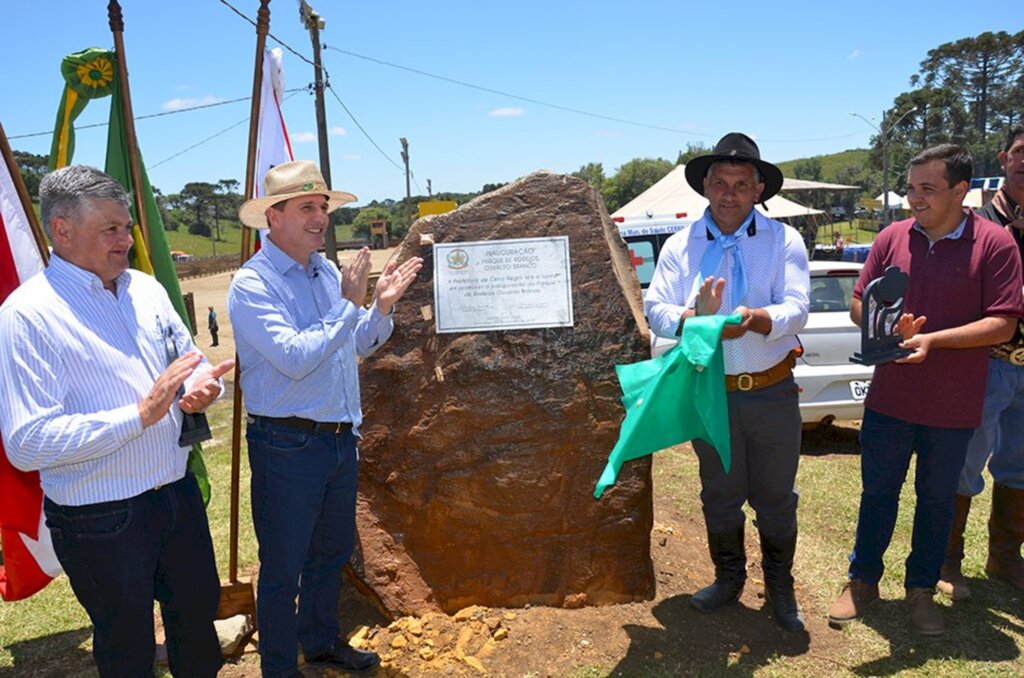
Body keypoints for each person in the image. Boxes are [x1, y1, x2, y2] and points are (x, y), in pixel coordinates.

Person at [0, 165, 234, 676]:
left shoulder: (147, 290)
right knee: (126, 645)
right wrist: (140, 415)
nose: (127, 239)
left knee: (196, 624)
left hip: (176, 494)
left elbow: (185, 361)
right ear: (61, 230)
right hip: (100, 519)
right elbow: (26, 442)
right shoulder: (27, 315)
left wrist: (198, 389)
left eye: (127, 226)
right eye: (111, 229)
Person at [228, 160, 423, 678]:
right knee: (283, 568)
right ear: (274, 216)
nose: (321, 218)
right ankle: (278, 669)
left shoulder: (326, 272)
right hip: (285, 445)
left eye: (324, 208)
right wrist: (349, 307)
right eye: (307, 208)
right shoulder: (253, 284)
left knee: (329, 553)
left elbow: (355, 343)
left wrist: (377, 309)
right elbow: (294, 357)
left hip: (338, 440)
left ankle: (319, 644)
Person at [828, 144, 1023, 636]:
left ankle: (920, 589)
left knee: (937, 501)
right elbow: (858, 302)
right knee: (878, 493)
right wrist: (882, 326)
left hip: (955, 405)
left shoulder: (996, 245)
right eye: (912, 187)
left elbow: (1002, 324)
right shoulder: (891, 237)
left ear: (961, 190)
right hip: (890, 400)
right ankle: (862, 580)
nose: (914, 198)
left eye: (927, 189)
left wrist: (931, 340)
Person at [645, 133, 810, 632]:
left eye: (742, 184)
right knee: (719, 492)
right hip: (710, 391)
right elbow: (656, 310)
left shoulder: (785, 240)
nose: (730, 193)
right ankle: (729, 579)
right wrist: (699, 317)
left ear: (759, 189)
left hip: (771, 390)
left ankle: (780, 589)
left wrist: (757, 318)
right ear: (706, 188)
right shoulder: (681, 245)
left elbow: (796, 308)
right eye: (720, 183)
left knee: (776, 496)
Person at [938, 126, 1024, 599]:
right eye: (1019, 152)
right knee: (965, 464)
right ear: (1004, 158)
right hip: (984, 362)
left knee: (1020, 466)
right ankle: (948, 562)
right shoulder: (977, 223)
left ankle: (1005, 558)